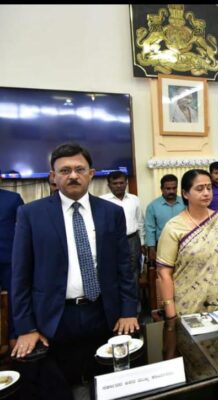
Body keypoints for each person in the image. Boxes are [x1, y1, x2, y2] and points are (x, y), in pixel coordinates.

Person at [11, 143, 138, 362]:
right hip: (54, 318)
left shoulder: (112, 213)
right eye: (65, 170)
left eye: (79, 169)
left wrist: (128, 311)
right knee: (58, 377)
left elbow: (124, 267)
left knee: (107, 373)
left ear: (91, 174)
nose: (73, 176)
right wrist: (26, 327)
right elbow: (20, 275)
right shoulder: (31, 214)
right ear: (53, 176)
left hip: (105, 313)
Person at [156, 169, 218, 317]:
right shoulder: (173, 227)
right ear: (185, 193)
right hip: (188, 308)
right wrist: (171, 314)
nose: (206, 193)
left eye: (209, 188)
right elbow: (164, 273)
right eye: (200, 189)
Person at [100, 171, 145, 299]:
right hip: (111, 242)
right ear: (109, 185)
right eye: (115, 183)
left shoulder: (134, 199)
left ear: (126, 183)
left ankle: (135, 308)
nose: (119, 186)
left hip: (132, 240)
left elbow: (140, 222)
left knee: (133, 273)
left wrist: (142, 243)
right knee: (112, 273)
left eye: (121, 183)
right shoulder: (102, 201)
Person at [0, 173, 24, 340]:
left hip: (9, 259)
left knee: (15, 300)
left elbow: (24, 227)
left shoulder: (13, 198)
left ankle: (15, 337)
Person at [145, 174, 185, 265]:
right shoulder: (153, 206)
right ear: (161, 189)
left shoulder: (185, 203)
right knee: (165, 270)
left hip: (183, 244)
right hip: (162, 246)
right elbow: (150, 228)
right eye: (168, 188)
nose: (171, 191)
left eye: (174, 188)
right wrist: (151, 248)